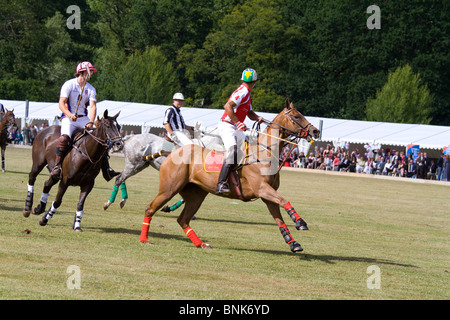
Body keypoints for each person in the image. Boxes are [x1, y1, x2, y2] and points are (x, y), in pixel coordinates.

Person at [50, 61, 119, 181]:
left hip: (84, 119)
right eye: (89, 71)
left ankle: (106, 170)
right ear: (81, 73)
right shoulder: (69, 84)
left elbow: (92, 107)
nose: (91, 73)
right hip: (68, 118)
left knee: (99, 139)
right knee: (64, 138)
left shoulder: (91, 89)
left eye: (91, 71)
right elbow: (61, 104)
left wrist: (91, 122)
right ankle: (57, 167)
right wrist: (70, 115)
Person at [215, 68, 263, 195]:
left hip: (235, 127)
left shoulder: (247, 93)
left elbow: (250, 113)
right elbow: (227, 106)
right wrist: (238, 122)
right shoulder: (242, 91)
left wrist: (258, 118)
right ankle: (221, 184)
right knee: (233, 151)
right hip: (227, 125)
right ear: (254, 82)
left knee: (250, 150)